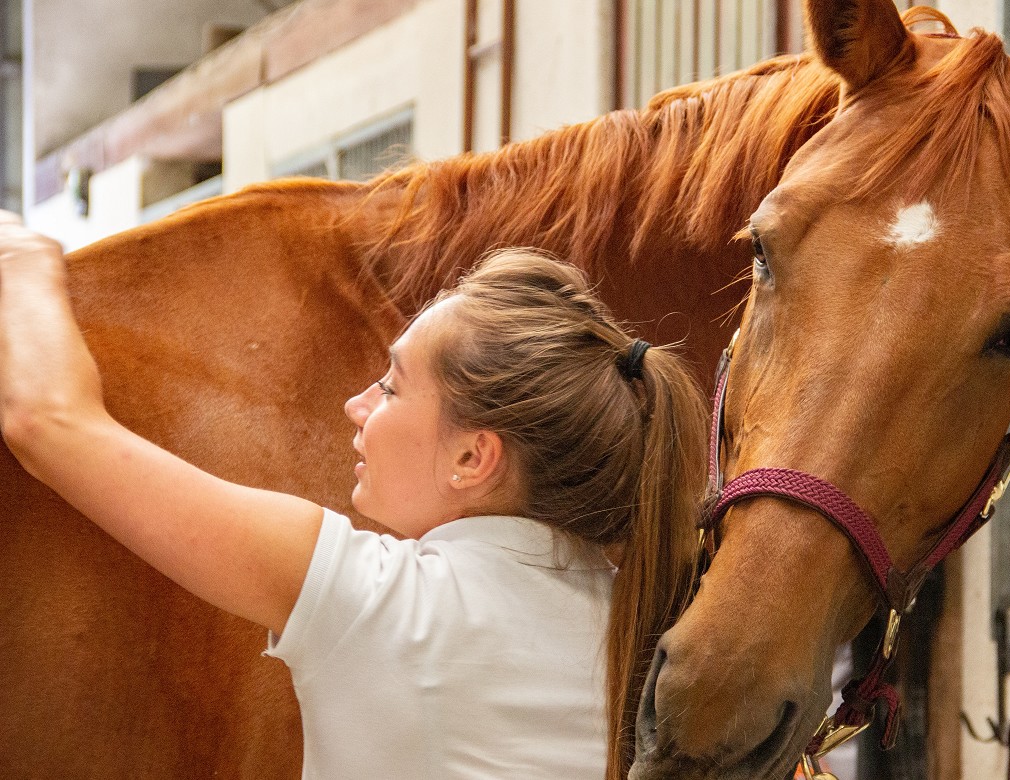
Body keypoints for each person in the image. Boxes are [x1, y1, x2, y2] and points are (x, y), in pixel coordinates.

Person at [0, 212, 708, 780]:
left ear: (472, 456)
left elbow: (50, 422)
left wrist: (21, 256)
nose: (355, 404)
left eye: (392, 386)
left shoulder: (372, 599)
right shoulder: (652, 629)